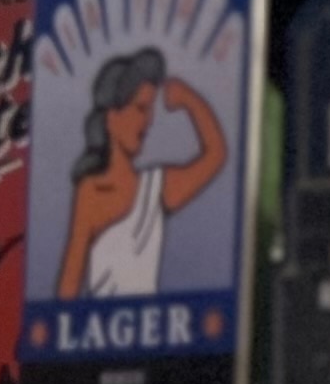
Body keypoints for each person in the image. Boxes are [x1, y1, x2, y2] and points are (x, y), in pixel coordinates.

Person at [56, 49, 231, 301]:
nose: (148, 121)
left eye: (150, 110)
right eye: (140, 108)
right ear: (111, 117)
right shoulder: (91, 191)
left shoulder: (156, 188)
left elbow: (216, 155)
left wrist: (190, 99)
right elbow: (68, 286)